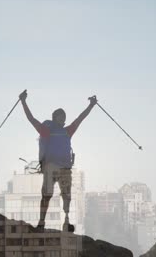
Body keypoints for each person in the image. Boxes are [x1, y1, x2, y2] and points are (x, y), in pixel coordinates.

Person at [19, 90, 97, 232]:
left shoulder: (67, 131)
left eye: (64, 117)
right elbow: (31, 119)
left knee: (66, 196)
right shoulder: (47, 130)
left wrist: (91, 106)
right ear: (55, 118)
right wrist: (23, 102)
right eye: (61, 117)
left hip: (64, 168)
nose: (63, 119)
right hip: (52, 167)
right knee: (47, 196)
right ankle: (42, 223)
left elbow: (80, 118)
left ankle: (65, 222)